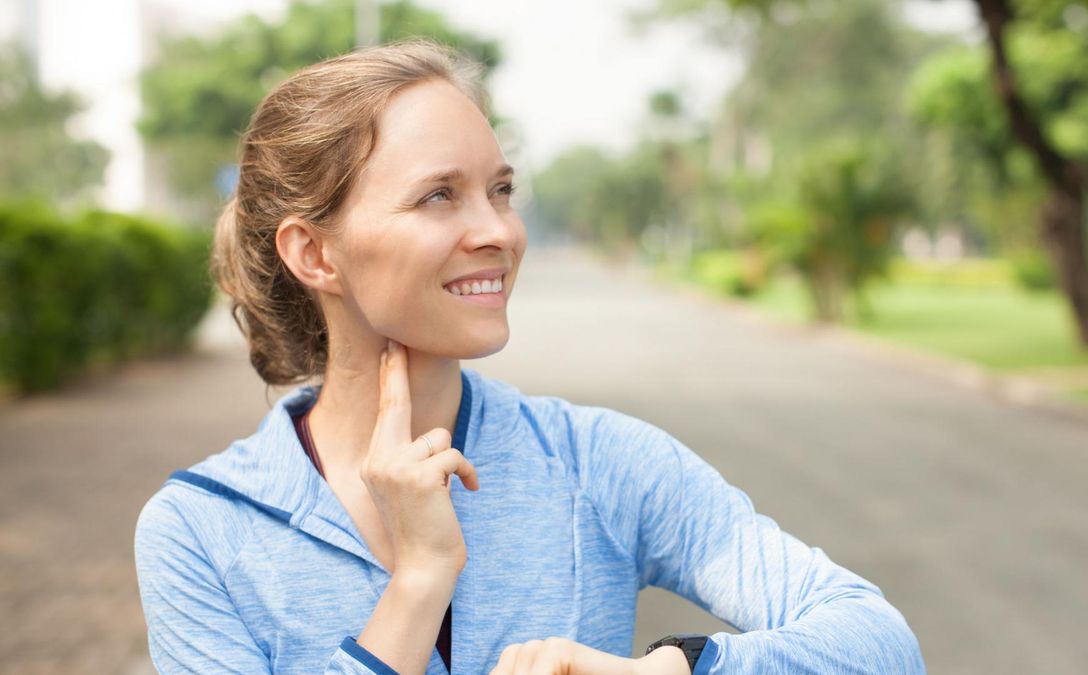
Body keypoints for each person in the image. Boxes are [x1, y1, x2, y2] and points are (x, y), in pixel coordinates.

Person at [133, 38, 926, 675]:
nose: (499, 232)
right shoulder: (201, 529)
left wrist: (668, 670)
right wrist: (419, 581)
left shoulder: (598, 462)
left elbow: (880, 645)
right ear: (315, 253)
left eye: (501, 190)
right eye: (439, 194)